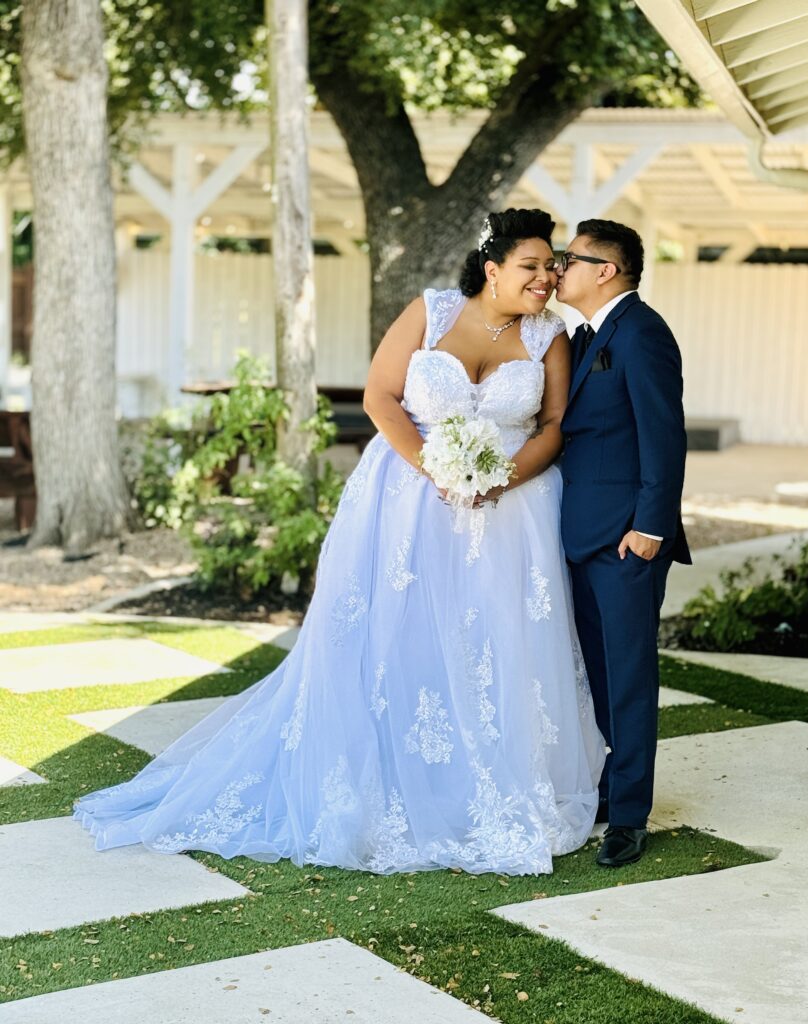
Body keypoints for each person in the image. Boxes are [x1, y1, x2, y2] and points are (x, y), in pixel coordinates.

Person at [74, 208, 605, 876]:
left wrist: (497, 480)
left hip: (507, 512)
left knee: (495, 642)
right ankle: (392, 777)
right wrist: (437, 468)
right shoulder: (432, 312)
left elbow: (553, 423)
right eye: (531, 266)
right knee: (397, 635)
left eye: (551, 266)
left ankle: (485, 778)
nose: (546, 278)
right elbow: (381, 398)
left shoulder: (548, 333)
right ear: (492, 266)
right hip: (405, 500)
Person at [555, 218, 691, 868]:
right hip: (579, 538)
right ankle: (610, 788)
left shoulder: (642, 333)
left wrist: (649, 529)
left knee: (631, 677)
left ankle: (630, 815)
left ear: (605, 269)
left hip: (626, 542)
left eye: (569, 259)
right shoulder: (582, 338)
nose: (558, 270)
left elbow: (664, 436)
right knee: (600, 675)